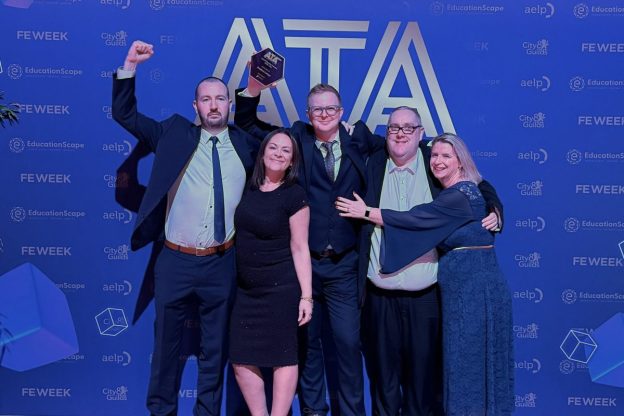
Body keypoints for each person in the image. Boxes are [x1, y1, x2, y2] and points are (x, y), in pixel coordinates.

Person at [112, 40, 260, 416]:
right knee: (166, 348)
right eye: (206, 99)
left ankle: (206, 412)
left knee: (215, 350)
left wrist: (255, 92)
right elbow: (125, 114)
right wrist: (130, 65)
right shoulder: (173, 133)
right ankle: (161, 412)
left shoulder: (247, 145)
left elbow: (286, 153)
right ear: (196, 106)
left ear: (230, 104)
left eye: (220, 99)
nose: (213, 105)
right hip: (175, 261)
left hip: (222, 261)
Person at [234, 69, 384, 416]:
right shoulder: (295, 139)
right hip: (302, 267)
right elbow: (246, 122)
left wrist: (483, 191)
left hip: (344, 263)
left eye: (331, 109)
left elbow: (408, 146)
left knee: (348, 343)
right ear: (307, 113)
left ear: (342, 111)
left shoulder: (359, 138)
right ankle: (314, 411)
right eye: (317, 110)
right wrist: (253, 88)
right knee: (307, 345)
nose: (325, 115)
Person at [336, 133, 514, 416]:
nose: (438, 161)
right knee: (460, 366)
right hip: (456, 294)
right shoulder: (453, 189)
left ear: (460, 161)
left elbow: (415, 219)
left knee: (469, 367)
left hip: (475, 291)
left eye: (447, 156)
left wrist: (366, 211)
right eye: (435, 156)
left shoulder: (462, 193)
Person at [229, 129, 312, 416]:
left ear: (292, 161)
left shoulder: (295, 194)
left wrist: (307, 296)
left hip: (281, 289)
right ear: (262, 154)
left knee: (283, 357)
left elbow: (300, 247)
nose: (278, 153)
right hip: (246, 291)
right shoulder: (247, 188)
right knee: (240, 359)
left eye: (285, 151)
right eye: (273, 148)